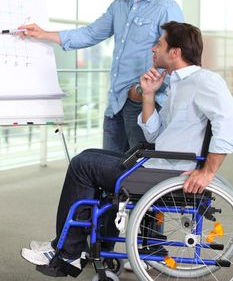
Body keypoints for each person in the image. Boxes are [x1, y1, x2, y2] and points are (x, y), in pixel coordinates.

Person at [21, 21, 233, 277]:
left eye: (160, 44)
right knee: (88, 157)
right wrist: (148, 95)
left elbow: (227, 122)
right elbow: (155, 133)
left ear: (175, 52)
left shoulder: (205, 81)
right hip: (159, 163)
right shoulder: (178, 84)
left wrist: (208, 172)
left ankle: (67, 252)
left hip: (167, 172)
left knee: (82, 166)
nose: (154, 49)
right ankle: (74, 247)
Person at [19, 0, 183, 153]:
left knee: (139, 176)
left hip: (143, 105)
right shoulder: (120, 5)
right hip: (115, 105)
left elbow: (175, 61)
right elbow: (90, 33)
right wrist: (44, 34)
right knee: (108, 172)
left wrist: (140, 92)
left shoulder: (167, 9)